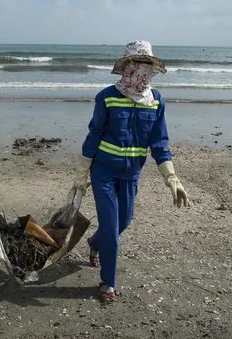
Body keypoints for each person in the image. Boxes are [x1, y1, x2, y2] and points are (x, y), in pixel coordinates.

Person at [73, 40, 190, 304]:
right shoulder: (107, 97)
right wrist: (82, 173)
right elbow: (94, 135)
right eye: (138, 64)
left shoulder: (155, 101)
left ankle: (94, 243)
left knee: (123, 222)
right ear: (127, 67)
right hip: (103, 171)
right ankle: (108, 284)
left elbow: (159, 144)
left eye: (148, 65)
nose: (143, 71)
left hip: (131, 174)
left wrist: (172, 178)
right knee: (111, 229)